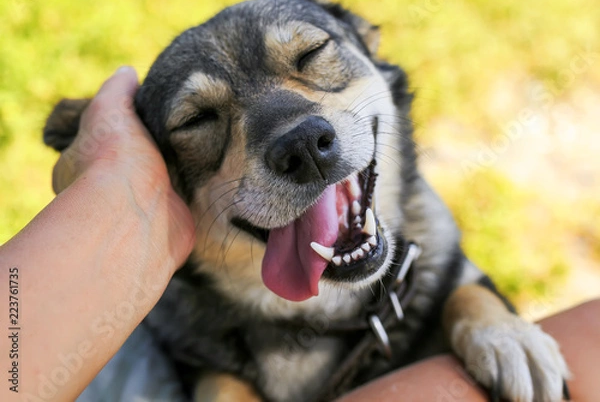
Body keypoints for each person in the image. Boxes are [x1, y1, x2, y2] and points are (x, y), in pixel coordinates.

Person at [0, 67, 597, 401]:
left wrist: (476, 310)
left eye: (312, 57)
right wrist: (114, 189)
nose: (296, 133)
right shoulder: (171, 318)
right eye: (200, 118)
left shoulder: (424, 231)